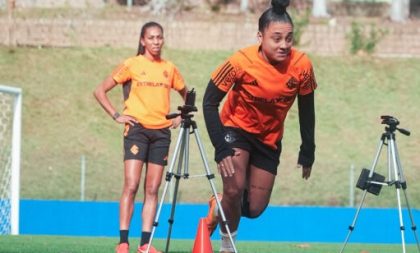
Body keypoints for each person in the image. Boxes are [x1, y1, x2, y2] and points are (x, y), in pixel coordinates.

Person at [202, 0, 317, 251]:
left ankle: (217, 205)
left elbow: (307, 109)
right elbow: (209, 102)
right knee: (234, 188)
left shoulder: (302, 66)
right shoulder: (240, 61)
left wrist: (308, 149)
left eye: (289, 38)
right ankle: (227, 247)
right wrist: (221, 148)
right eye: (276, 38)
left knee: (253, 209)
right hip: (235, 130)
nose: (284, 45)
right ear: (260, 36)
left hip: (268, 139)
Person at [93, 21, 188, 253]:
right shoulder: (132, 64)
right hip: (136, 130)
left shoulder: (169, 68)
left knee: (152, 189)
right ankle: (123, 241)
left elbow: (187, 95)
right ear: (142, 40)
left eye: (159, 37)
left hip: (161, 134)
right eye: (151, 38)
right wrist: (117, 115)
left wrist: (180, 117)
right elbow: (100, 90)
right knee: (131, 184)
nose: (156, 42)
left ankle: (145, 243)